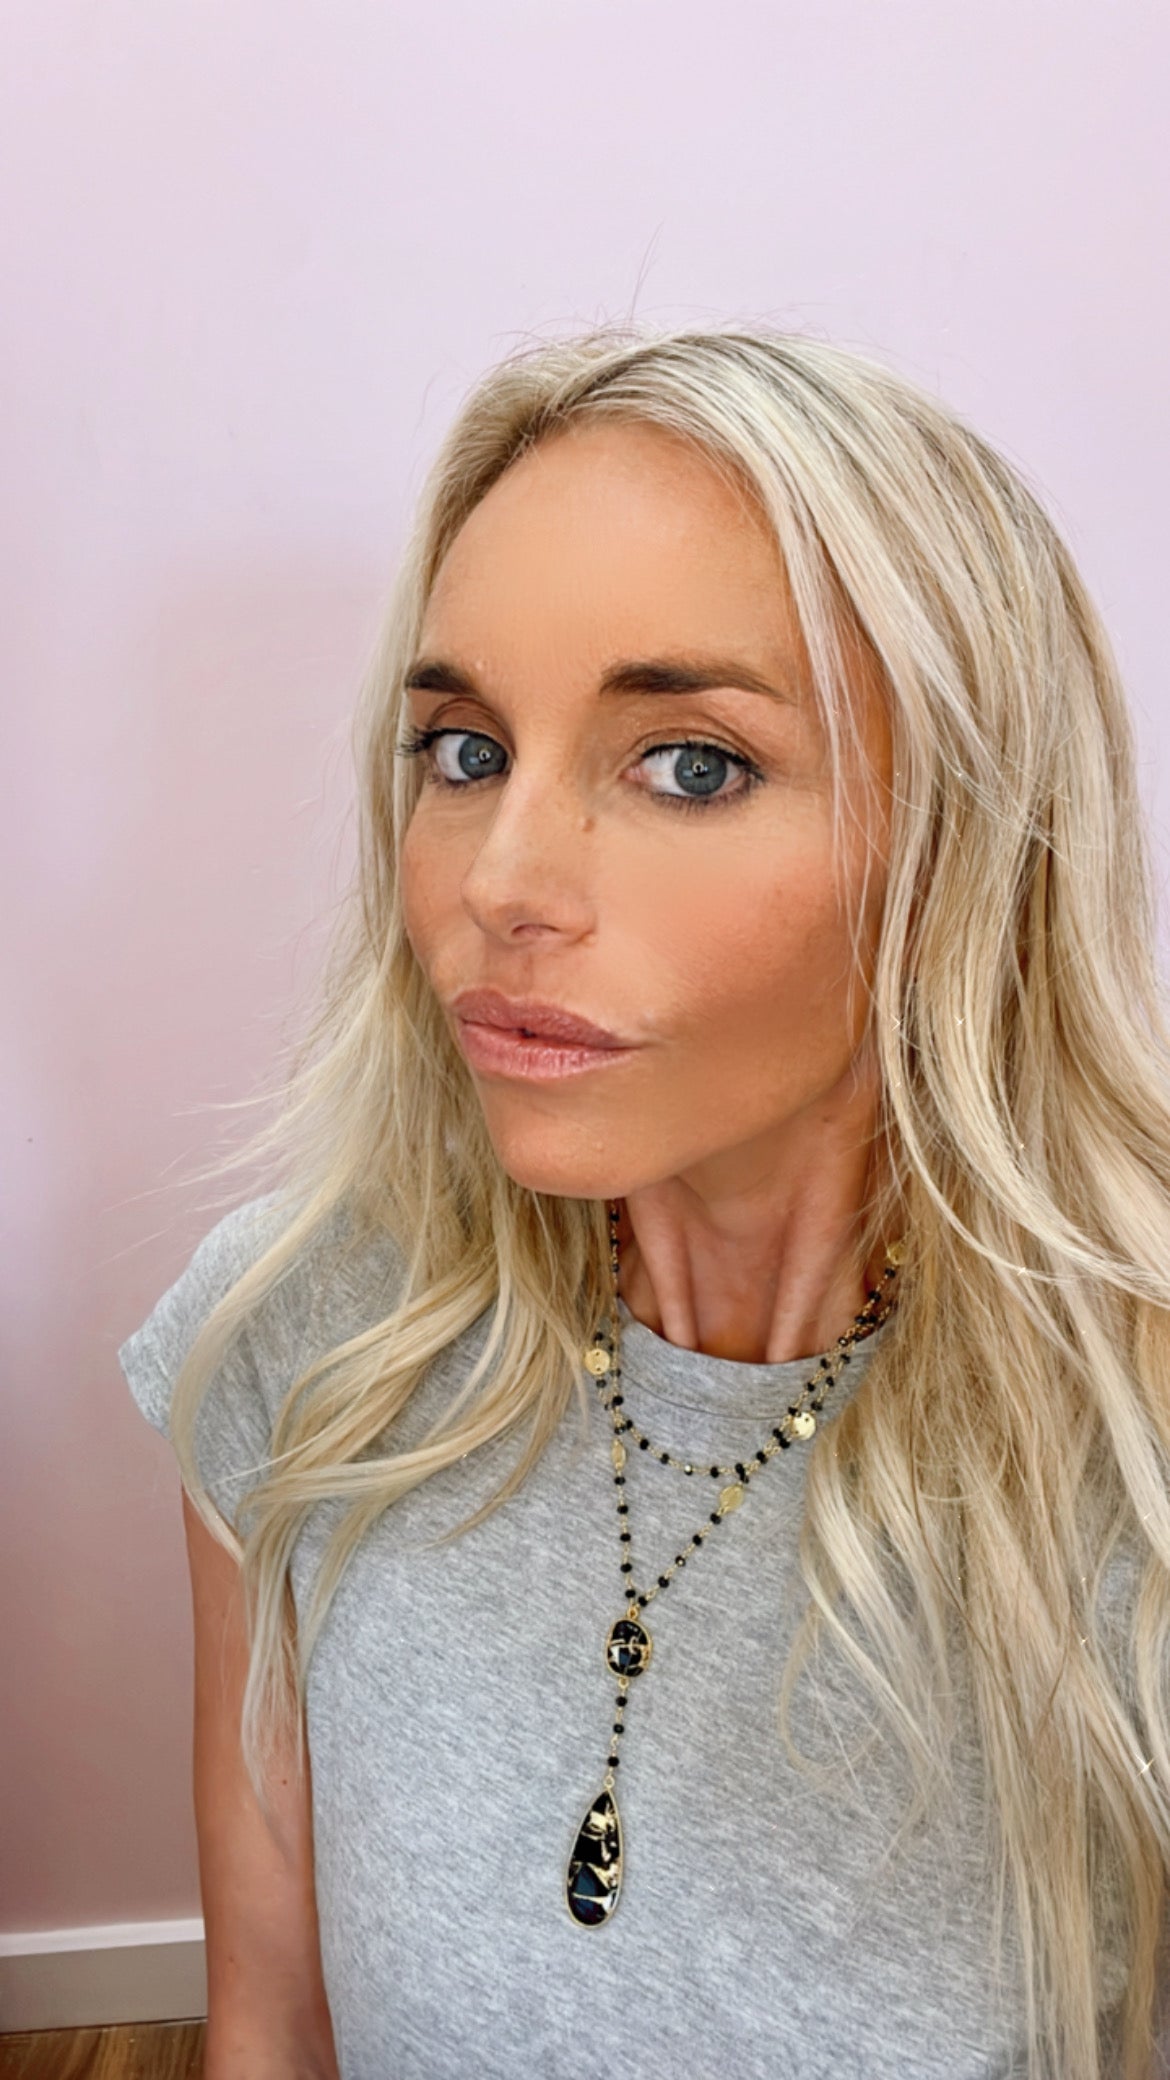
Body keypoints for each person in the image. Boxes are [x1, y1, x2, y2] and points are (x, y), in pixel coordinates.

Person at [119, 325, 1170, 2080]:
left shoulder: (1130, 1449)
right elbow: (271, 2027)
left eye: (689, 764)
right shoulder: (307, 1340)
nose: (501, 882)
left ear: (965, 843)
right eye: (464, 751)